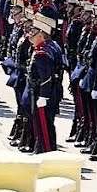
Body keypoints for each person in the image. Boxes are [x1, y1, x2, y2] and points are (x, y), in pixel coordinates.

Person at [26, 13, 63, 154]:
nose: (30, 35)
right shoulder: (51, 46)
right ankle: (42, 149)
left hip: (42, 92)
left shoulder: (42, 52)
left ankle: (45, 152)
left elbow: (46, 76)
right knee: (45, 124)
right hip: (49, 92)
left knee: (43, 125)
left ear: (41, 35)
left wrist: (43, 96)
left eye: (33, 33)